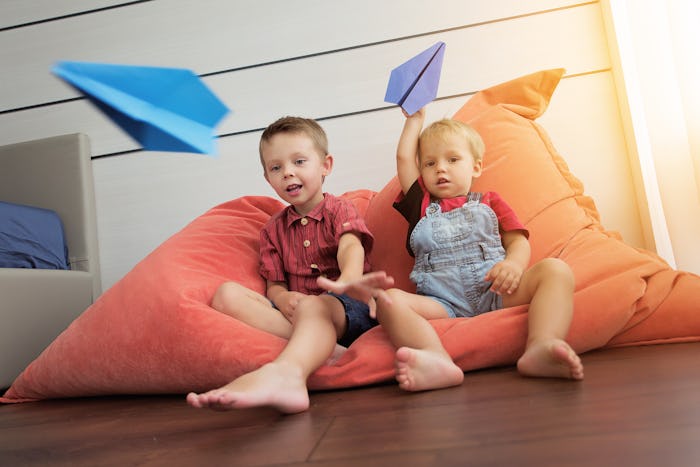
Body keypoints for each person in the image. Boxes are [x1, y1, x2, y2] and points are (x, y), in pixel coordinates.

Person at [331, 108, 583, 391]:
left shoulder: (490, 201)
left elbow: (518, 242)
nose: (441, 168)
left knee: (556, 270)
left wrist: (513, 265)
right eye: (430, 163)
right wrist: (414, 119)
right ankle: (435, 359)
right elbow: (403, 158)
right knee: (388, 300)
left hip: (495, 291)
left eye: (452, 159)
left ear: (475, 166)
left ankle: (542, 345)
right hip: (442, 303)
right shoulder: (421, 205)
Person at [186, 116, 393, 414]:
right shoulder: (272, 230)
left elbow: (351, 245)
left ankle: (289, 371)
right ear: (267, 178)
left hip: (348, 307)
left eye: (299, 161)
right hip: (298, 313)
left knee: (316, 307)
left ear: (325, 166)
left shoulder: (340, 208)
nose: (288, 173)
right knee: (226, 294)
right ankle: (327, 350)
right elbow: (275, 283)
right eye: (276, 167)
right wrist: (282, 298)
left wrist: (347, 279)